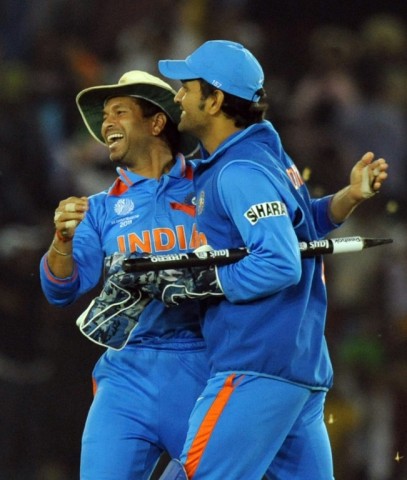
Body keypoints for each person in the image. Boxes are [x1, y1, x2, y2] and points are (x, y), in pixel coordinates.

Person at [121, 41, 389, 479]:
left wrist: (203, 282)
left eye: (186, 87)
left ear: (216, 99)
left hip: (255, 367)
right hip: (299, 371)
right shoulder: (262, 156)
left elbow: (280, 261)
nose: (177, 97)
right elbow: (298, 231)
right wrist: (347, 198)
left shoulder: (237, 171)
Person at [39, 70, 211, 480]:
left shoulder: (213, 184)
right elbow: (61, 289)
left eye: (120, 112)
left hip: (204, 369)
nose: (106, 124)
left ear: (156, 123)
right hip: (126, 378)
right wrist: (62, 240)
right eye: (104, 117)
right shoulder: (98, 208)